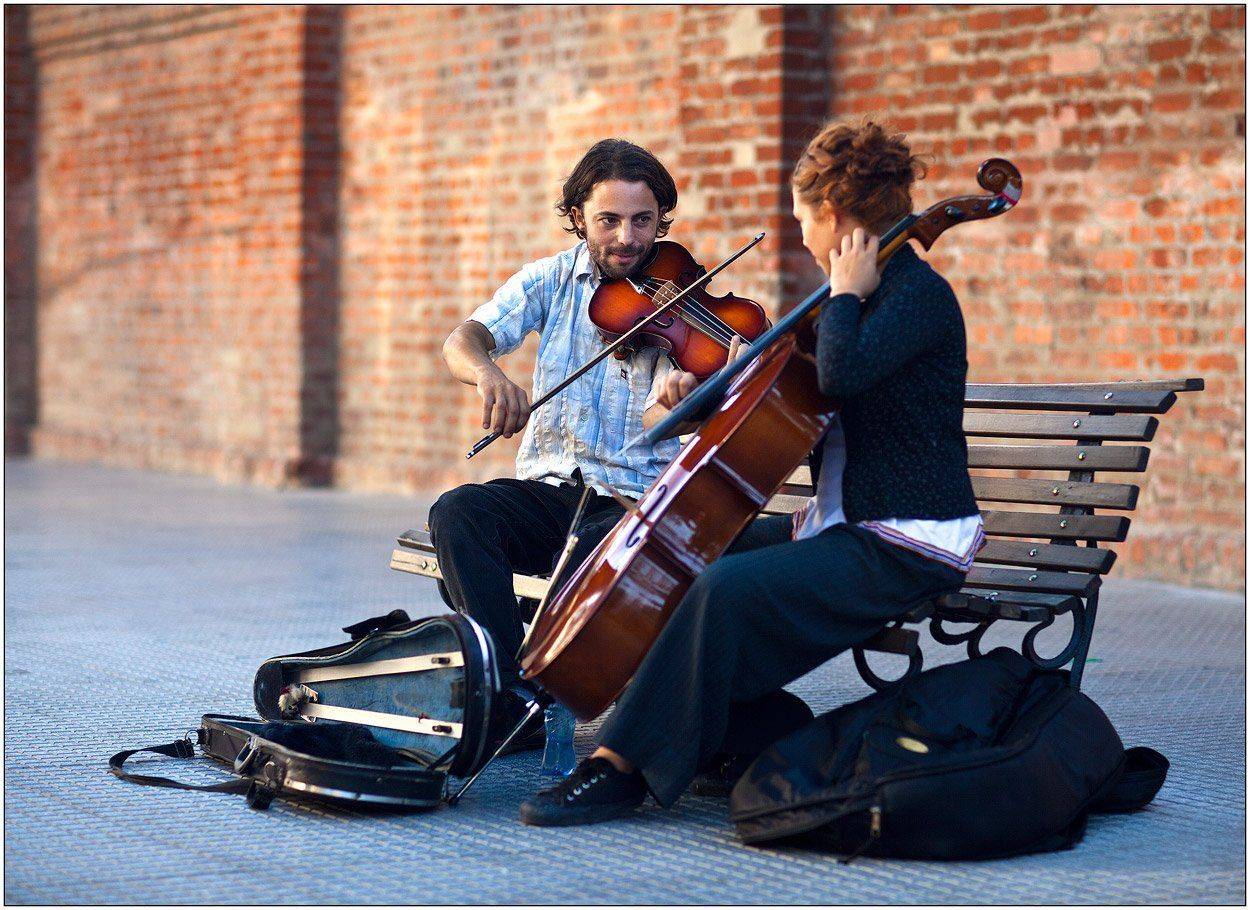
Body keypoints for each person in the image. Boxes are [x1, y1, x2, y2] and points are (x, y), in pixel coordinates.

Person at [519, 118, 986, 826]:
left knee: (726, 590)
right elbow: (802, 411)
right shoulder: (857, 302)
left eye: (803, 217)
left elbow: (843, 371)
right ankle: (753, 731)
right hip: (843, 525)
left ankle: (617, 768)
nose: (802, 234)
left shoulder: (913, 297)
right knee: (684, 558)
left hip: (906, 538)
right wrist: (702, 395)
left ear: (832, 216)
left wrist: (846, 295)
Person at [431, 138, 695, 741]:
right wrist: (491, 374)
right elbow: (462, 340)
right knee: (458, 513)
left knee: (604, 558)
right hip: (552, 496)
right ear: (578, 217)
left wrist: (685, 400)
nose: (627, 239)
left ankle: (539, 696)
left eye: (642, 221)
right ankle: (507, 691)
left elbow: (671, 419)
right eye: (609, 220)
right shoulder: (551, 279)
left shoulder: (679, 298)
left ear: (661, 220)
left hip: (630, 507)